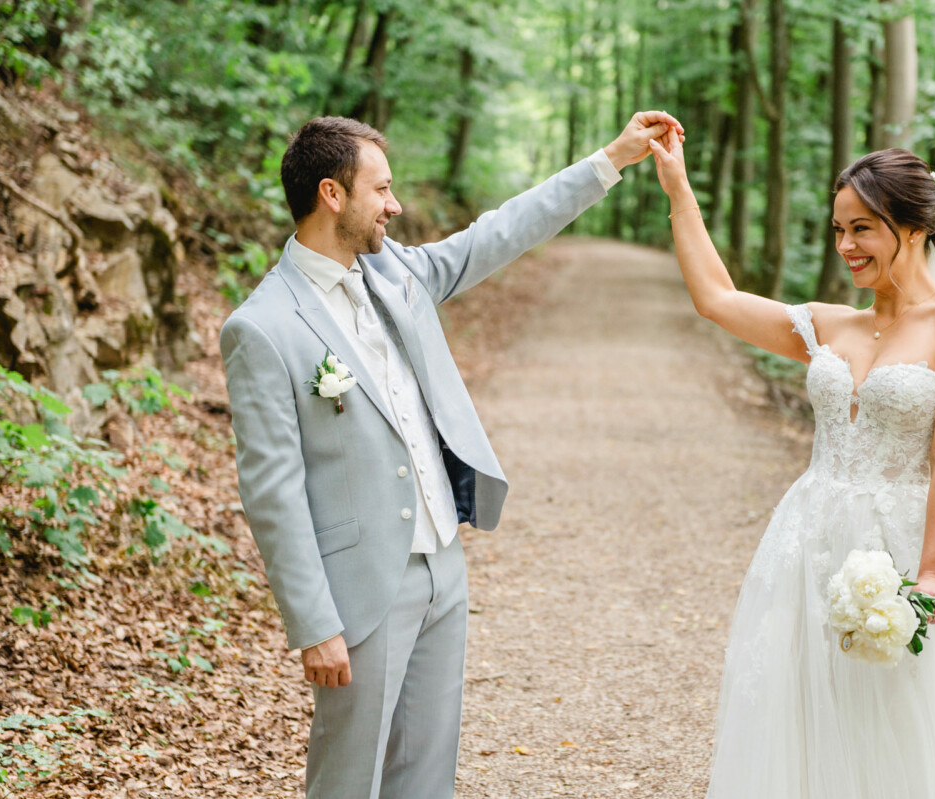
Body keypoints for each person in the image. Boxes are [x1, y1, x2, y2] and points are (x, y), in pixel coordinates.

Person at [220, 110, 681, 799]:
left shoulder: (398, 273)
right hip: (362, 590)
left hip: (443, 566)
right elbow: (272, 490)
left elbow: (498, 233)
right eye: (382, 189)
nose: (395, 205)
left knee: (427, 778)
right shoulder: (261, 328)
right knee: (348, 780)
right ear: (332, 194)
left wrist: (610, 160)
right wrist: (313, 623)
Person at [647, 130, 935, 797]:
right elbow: (716, 298)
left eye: (862, 228)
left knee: (902, 721)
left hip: (906, 549)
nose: (845, 246)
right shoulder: (832, 326)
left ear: (915, 227)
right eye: (837, 229)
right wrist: (679, 189)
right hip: (807, 541)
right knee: (800, 708)